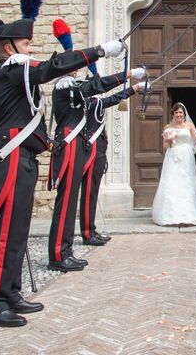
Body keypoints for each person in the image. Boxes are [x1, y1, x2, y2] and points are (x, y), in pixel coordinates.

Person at [0, 0, 126, 326]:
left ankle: (10, 291)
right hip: (11, 157)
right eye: (26, 44)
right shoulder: (12, 68)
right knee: (3, 232)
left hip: (24, 157)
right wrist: (99, 50)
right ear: (8, 47)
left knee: (19, 228)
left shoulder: (19, 69)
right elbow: (53, 68)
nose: (31, 48)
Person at [47, 19, 145, 271]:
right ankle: (59, 252)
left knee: (71, 201)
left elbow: (104, 96)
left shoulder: (74, 87)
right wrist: (127, 74)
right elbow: (96, 86)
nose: (78, 70)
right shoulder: (64, 86)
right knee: (67, 201)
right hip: (69, 145)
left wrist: (132, 88)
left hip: (77, 146)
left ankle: (64, 250)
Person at [80, 78, 148, 245]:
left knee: (92, 194)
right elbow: (113, 99)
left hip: (98, 153)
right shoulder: (91, 102)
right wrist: (135, 88)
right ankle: (88, 233)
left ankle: (91, 229)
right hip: (91, 153)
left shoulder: (94, 102)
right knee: (89, 194)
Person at [152, 102, 196, 226]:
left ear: (184, 114)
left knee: (187, 181)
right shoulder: (167, 127)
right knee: (172, 181)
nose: (178, 115)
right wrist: (170, 141)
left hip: (186, 156)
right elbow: (165, 145)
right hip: (172, 155)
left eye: (180, 112)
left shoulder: (189, 126)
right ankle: (170, 215)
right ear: (173, 114)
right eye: (176, 112)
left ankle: (190, 215)